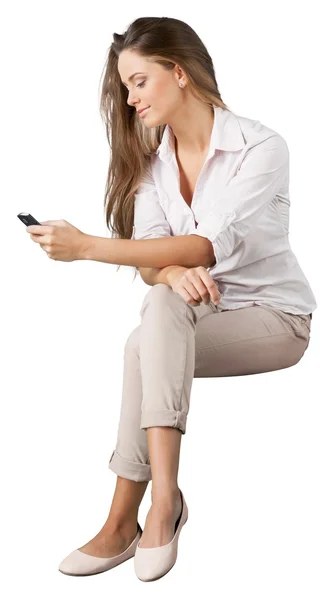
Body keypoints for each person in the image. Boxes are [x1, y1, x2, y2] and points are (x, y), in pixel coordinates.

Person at [58, 16, 317, 582]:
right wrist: (170, 272)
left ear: (178, 73)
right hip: (202, 315)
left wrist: (87, 248)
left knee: (142, 345)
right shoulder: (155, 165)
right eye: (125, 88)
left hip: (276, 320)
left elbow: (207, 243)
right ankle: (135, 515)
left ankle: (155, 505)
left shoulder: (261, 147)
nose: (130, 100)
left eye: (139, 82)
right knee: (152, 323)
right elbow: (159, 261)